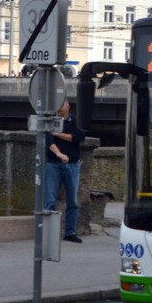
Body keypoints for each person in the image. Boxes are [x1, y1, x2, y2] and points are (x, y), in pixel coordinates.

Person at [45, 100, 86, 242]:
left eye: (61, 104)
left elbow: (78, 137)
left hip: (73, 165)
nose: (58, 106)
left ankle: (70, 232)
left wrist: (58, 134)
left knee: (73, 201)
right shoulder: (50, 121)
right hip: (53, 164)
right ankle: (48, 232)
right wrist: (59, 154)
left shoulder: (75, 121)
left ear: (68, 107)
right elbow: (49, 141)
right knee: (50, 200)